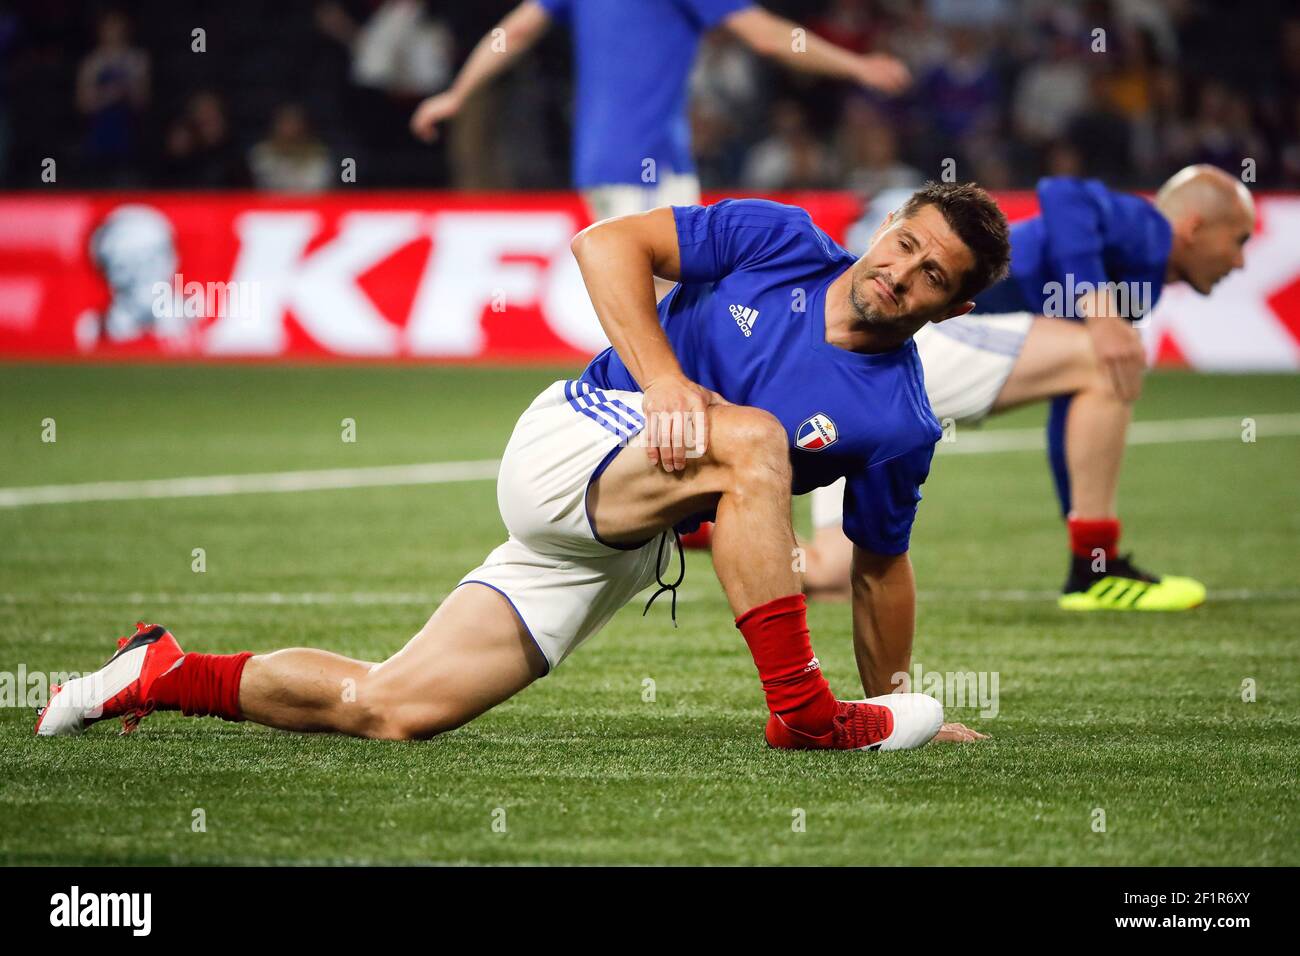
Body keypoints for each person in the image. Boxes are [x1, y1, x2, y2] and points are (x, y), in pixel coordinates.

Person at [36, 182, 1010, 750]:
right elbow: (604, 243)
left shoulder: (903, 419)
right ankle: (799, 713)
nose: (902, 270)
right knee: (750, 433)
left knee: (388, 706)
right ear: (887, 224)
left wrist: (893, 694)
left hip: (632, 528)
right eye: (905, 241)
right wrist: (665, 381)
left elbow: (880, 564)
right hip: (578, 436)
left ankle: (158, 669)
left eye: (934, 275)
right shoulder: (779, 240)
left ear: (951, 307)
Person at [796, 166, 1255, 610]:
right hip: (923, 343)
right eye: (1238, 242)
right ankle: (1096, 572)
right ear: (1194, 226)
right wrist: (1099, 308)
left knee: (832, 573)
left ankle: (723, 515)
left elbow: (1074, 421)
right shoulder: (1148, 230)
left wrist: (1080, 528)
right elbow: (1062, 194)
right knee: (1107, 357)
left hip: (873, 373)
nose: (1240, 261)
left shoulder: (1142, 279)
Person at [410, 0, 909, 293]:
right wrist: (857, 65)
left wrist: (458, 92)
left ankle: (663, 433)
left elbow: (513, 32)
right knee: (663, 308)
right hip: (643, 165)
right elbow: (766, 36)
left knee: (664, 304)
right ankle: (657, 439)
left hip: (612, 161)